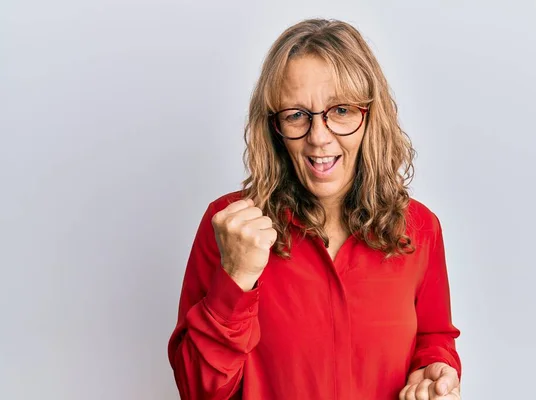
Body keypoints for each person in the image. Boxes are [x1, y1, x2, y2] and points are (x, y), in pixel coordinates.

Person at [167, 18, 462, 400]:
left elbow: (432, 336)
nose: (319, 137)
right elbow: (197, 391)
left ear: (369, 117)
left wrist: (435, 371)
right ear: (273, 127)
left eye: (340, 110)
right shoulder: (229, 227)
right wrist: (236, 277)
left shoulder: (420, 227)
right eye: (295, 115)